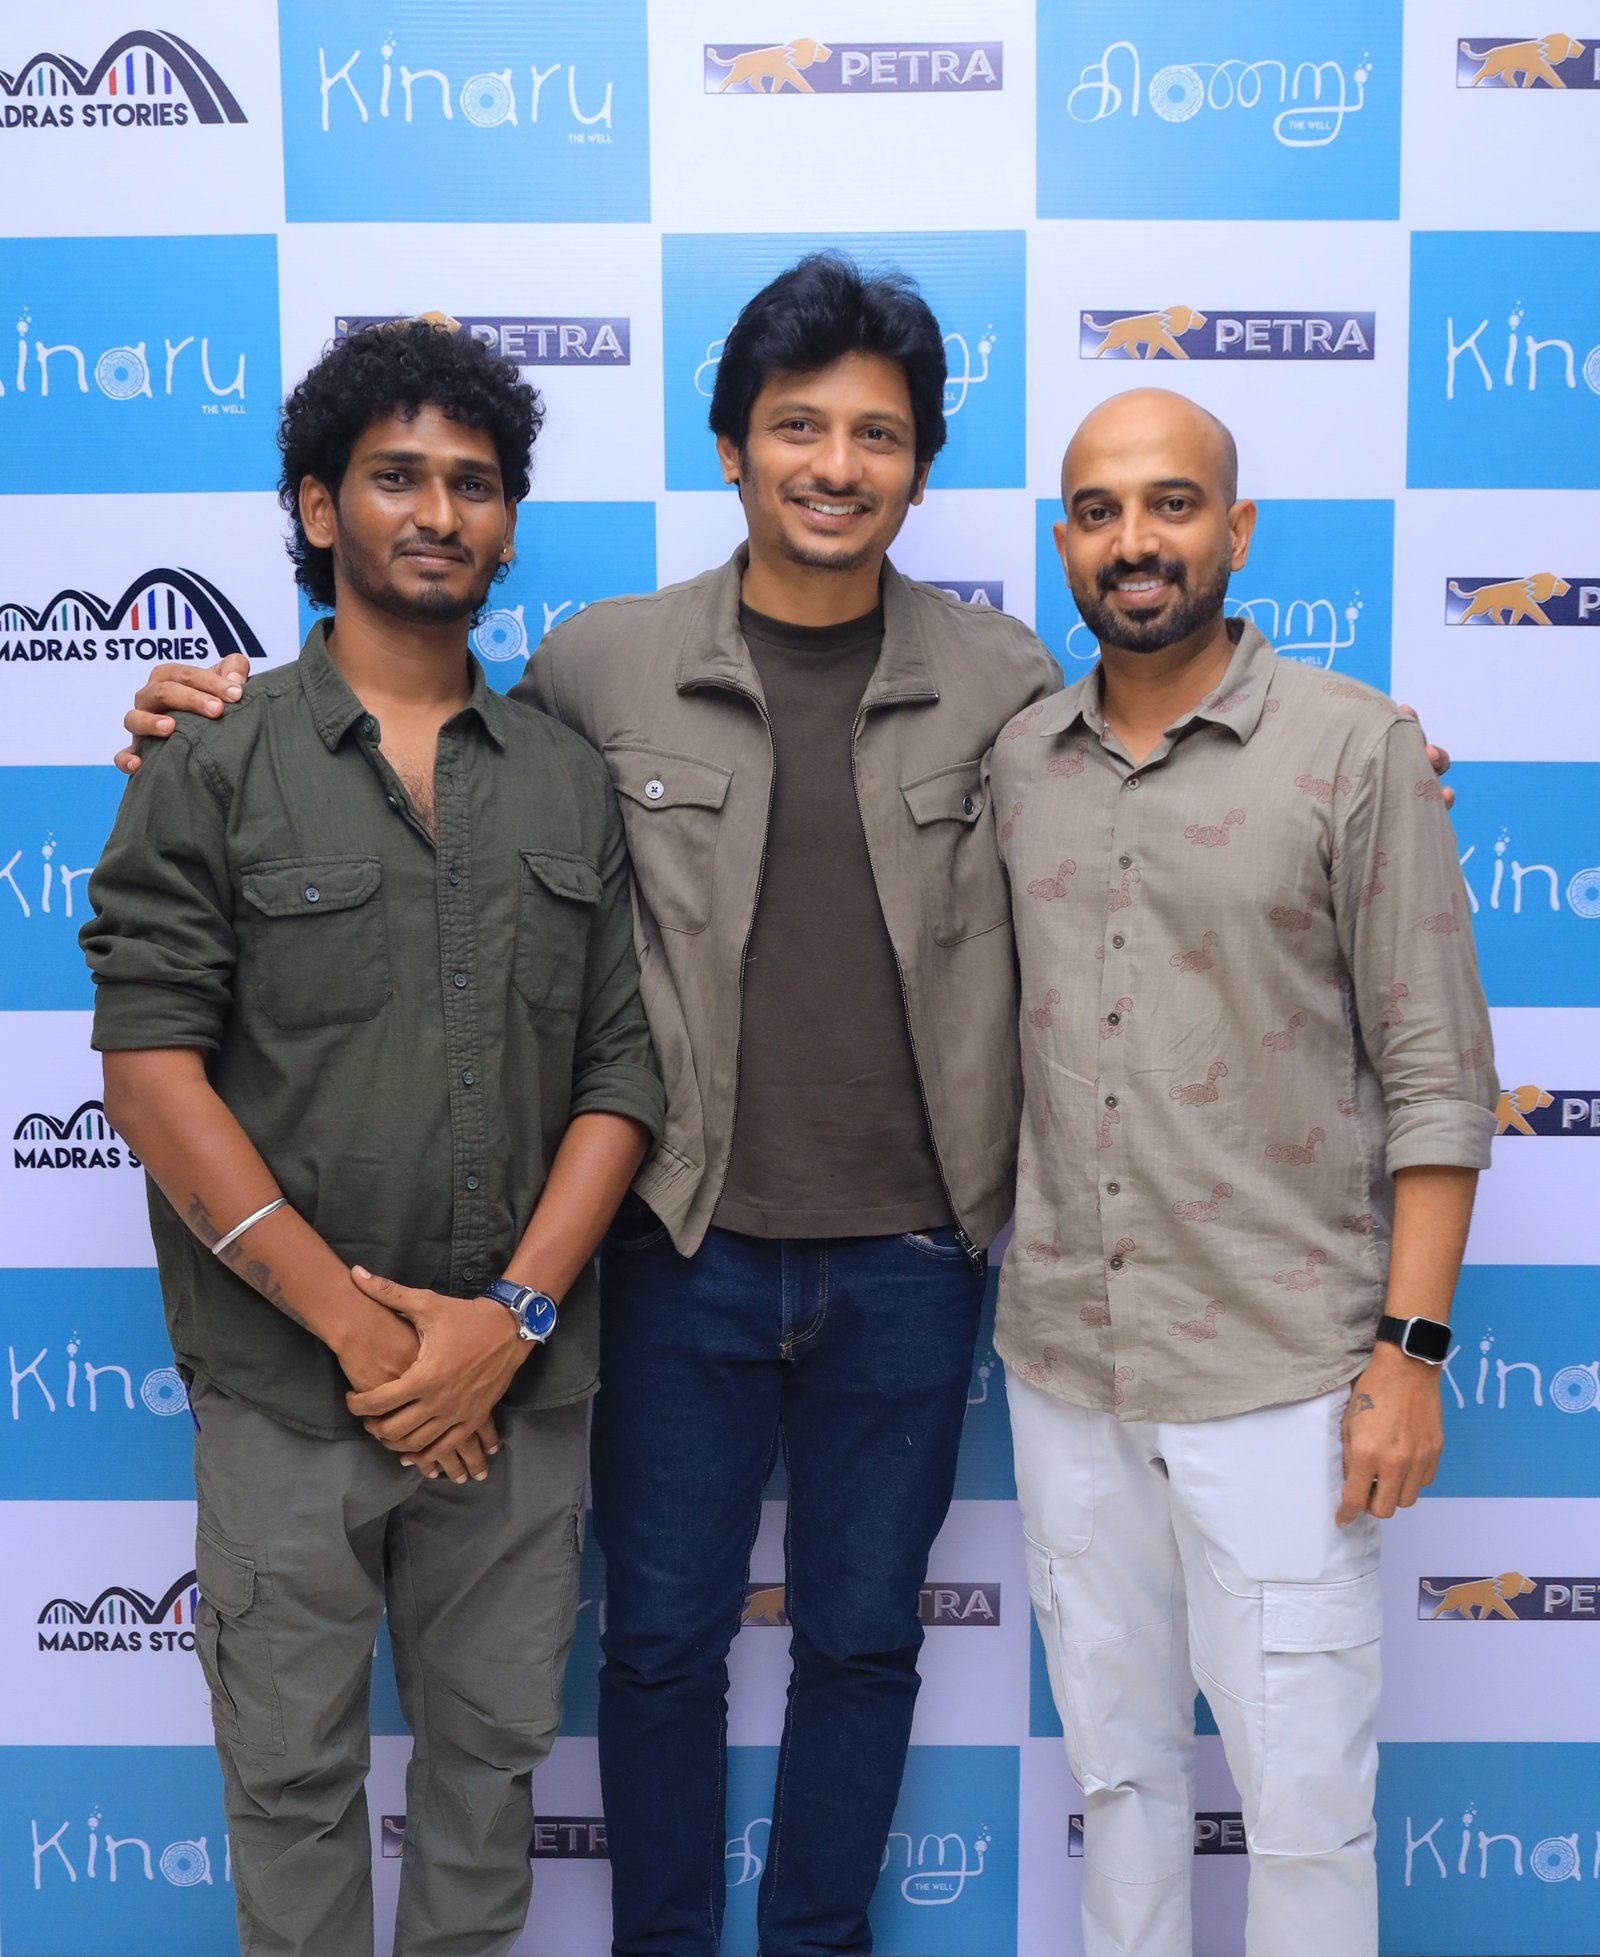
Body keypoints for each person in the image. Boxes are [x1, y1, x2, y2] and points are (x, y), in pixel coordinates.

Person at [111, 283, 1454, 1957]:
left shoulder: (1004, 676)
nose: (835, 463)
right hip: (675, 1253)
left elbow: (1164, 764)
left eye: (876, 433)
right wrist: (199, 710)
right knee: (659, 1642)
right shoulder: (603, 666)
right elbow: (419, 736)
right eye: (797, 426)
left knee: (865, 1642)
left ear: (921, 470)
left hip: (914, 1261)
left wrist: (1368, 766)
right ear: (732, 447)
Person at [81, 319, 664, 1957]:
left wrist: (505, 1325)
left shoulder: (566, 780)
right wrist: (369, 1338)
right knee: (289, 1788)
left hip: (516, 1396)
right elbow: (149, 1073)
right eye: (396, 475)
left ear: (508, 521)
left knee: (491, 1780)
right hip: (288, 1392)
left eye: (474, 482)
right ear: (318, 505)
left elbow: (623, 1074)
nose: (438, 510)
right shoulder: (210, 757)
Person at [992, 387, 1495, 1957]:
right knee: (1119, 1782)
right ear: (1064, 542)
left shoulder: (1356, 748)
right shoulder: (1018, 761)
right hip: (1068, 1365)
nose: (1135, 540)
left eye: (1172, 503)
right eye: (1099, 511)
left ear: (1239, 528)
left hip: (1285, 1381)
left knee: (1304, 1815)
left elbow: (1439, 1074)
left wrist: (1409, 1354)